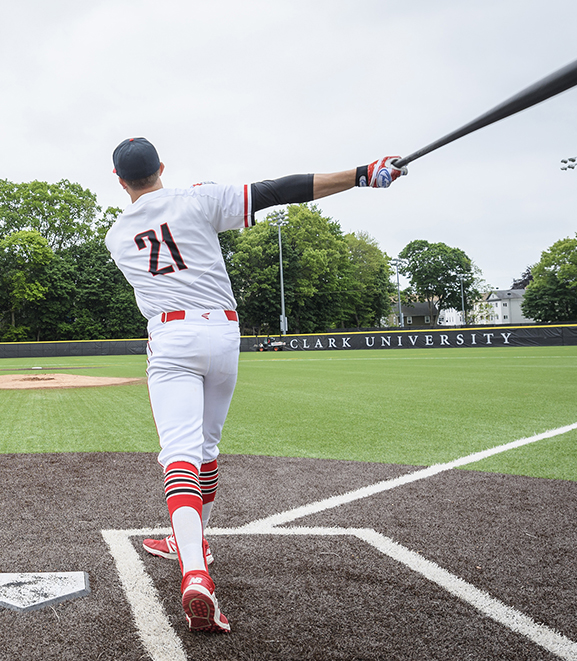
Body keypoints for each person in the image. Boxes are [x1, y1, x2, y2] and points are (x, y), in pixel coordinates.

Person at [104, 137, 405, 632]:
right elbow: (277, 190)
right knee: (206, 447)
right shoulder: (197, 199)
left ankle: (194, 568)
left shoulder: (116, 236)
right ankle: (191, 540)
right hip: (223, 333)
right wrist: (362, 173)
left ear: (119, 180)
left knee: (177, 452)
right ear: (162, 166)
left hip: (171, 334)